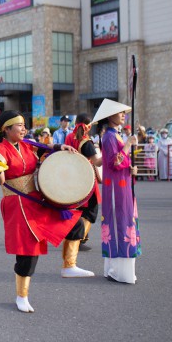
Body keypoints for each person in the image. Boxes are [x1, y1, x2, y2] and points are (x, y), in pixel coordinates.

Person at [0, 110, 82, 312]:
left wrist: (60, 147)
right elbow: (0, 181)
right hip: (17, 203)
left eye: (23, 125)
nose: (24, 128)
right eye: (19, 125)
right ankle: (22, 295)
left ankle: (69, 266)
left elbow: (44, 148)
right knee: (28, 252)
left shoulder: (27, 144)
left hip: (36, 199)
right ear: (6, 129)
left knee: (75, 223)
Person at [93, 99, 140, 284]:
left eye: (123, 112)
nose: (123, 115)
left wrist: (131, 170)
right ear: (110, 116)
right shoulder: (110, 137)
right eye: (120, 112)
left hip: (122, 185)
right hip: (116, 189)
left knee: (123, 220)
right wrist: (128, 145)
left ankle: (115, 269)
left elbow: (120, 164)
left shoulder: (115, 135)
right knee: (120, 222)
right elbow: (115, 162)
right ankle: (119, 271)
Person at [63, 113, 102, 267]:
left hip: (73, 177)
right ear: (88, 125)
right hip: (86, 179)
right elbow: (97, 162)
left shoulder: (69, 137)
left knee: (77, 208)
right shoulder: (86, 142)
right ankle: (78, 238)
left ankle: (75, 236)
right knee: (91, 211)